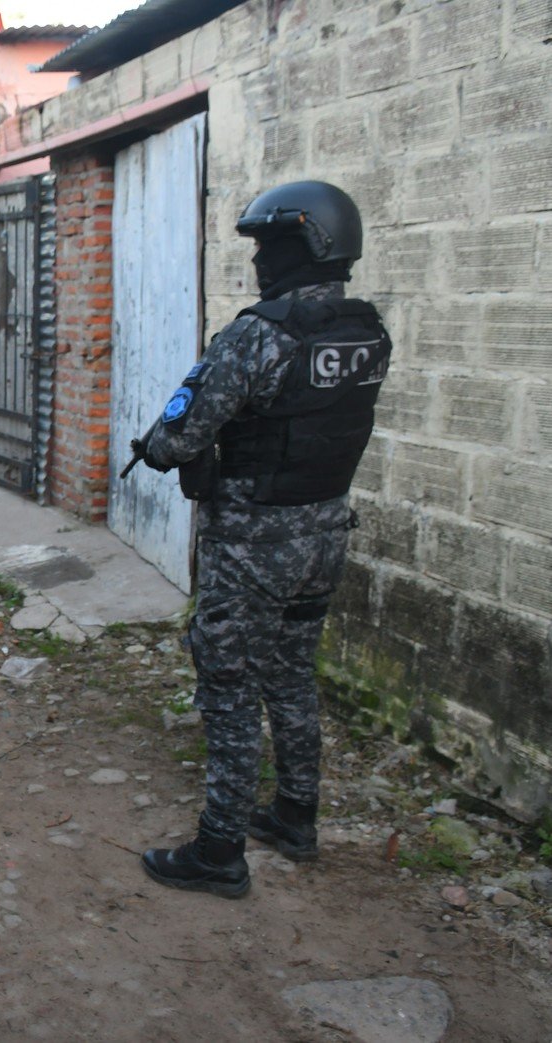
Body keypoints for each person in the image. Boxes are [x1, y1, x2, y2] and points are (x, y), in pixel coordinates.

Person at [130, 181, 391, 899]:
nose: (258, 264)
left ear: (299, 248)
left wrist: (155, 448)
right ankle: (294, 814)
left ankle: (218, 849)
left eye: (267, 247)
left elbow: (178, 434)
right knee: (290, 672)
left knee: (228, 682)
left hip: (252, 543)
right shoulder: (366, 330)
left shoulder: (260, 333)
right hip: (324, 533)